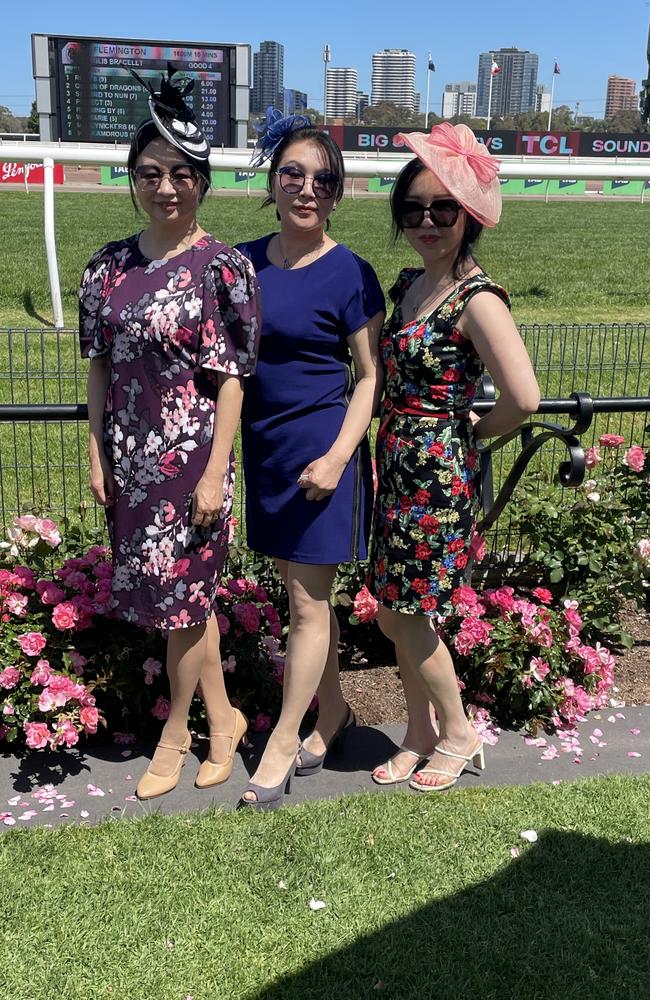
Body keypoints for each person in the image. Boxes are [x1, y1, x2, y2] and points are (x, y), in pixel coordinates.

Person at [79, 66, 261, 800]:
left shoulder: (223, 270)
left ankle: (175, 735)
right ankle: (227, 722)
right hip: (129, 463)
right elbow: (97, 369)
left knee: (182, 604)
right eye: (151, 173)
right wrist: (95, 451)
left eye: (182, 174)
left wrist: (217, 471)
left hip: (191, 463)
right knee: (181, 606)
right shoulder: (108, 269)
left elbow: (232, 381)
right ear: (132, 178)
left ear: (202, 183)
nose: (166, 188)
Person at [368, 123, 540, 791]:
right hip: (397, 465)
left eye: (444, 208)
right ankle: (419, 731)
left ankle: (460, 732)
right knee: (391, 608)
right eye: (414, 210)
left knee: (406, 612)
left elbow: (523, 397)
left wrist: (468, 429)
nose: (428, 221)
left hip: (434, 474)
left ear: (468, 215)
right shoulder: (411, 283)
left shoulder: (478, 298)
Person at [235, 110, 386, 810]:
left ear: (337, 192)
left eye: (322, 179)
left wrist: (338, 456)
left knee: (305, 602)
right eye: (292, 173)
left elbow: (369, 377)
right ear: (272, 180)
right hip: (266, 453)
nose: (306, 188)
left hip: (324, 453)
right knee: (298, 598)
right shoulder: (242, 262)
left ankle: (283, 740)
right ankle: (337, 714)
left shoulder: (352, 272)